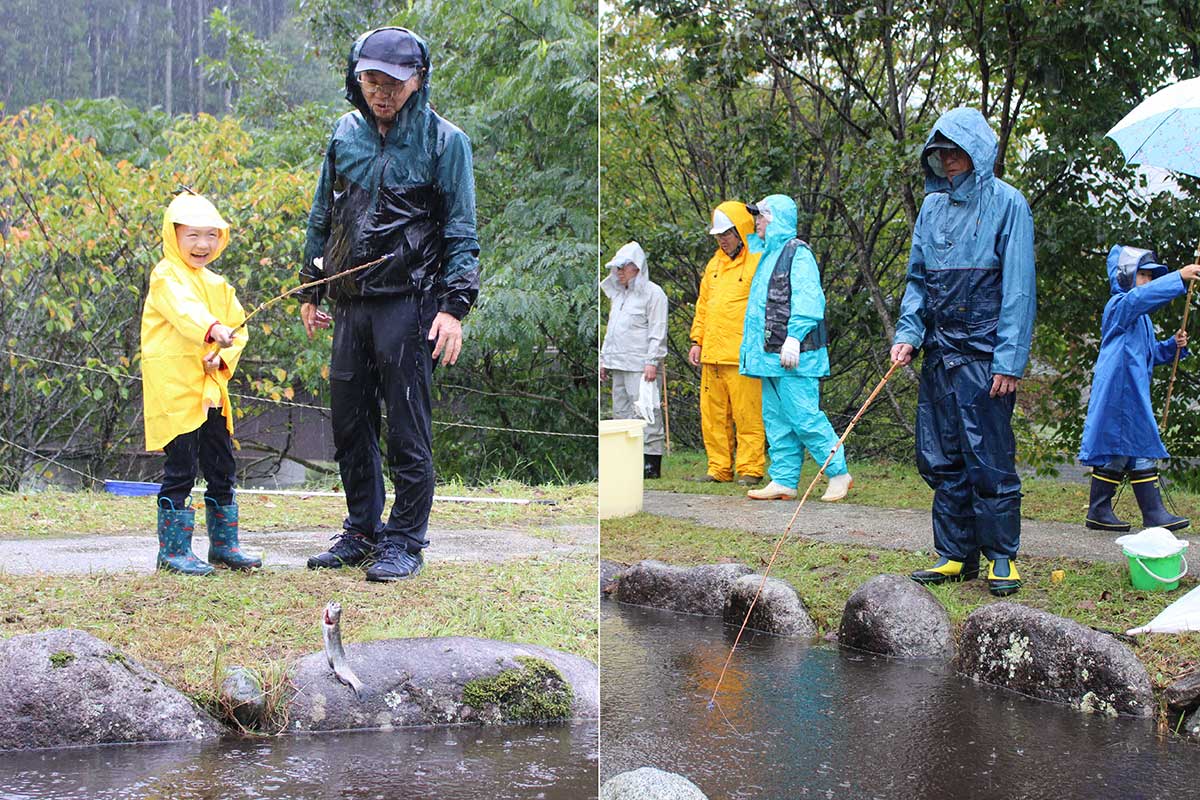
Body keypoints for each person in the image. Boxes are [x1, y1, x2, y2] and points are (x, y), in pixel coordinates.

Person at [298, 27, 480, 582]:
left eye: (394, 84)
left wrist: (455, 306)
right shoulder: (344, 134)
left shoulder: (444, 142)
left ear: (417, 80)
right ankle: (361, 530)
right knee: (350, 422)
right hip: (351, 303)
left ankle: (404, 539)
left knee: (406, 424)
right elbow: (321, 214)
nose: (382, 92)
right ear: (357, 78)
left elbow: (462, 230)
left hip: (413, 302)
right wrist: (311, 285)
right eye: (371, 80)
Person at [893, 107, 1036, 597]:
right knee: (940, 454)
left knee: (989, 456)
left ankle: (1001, 557)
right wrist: (908, 332)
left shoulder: (1008, 204)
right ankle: (955, 554)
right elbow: (918, 278)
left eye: (955, 151)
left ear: (976, 153)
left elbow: (1019, 288)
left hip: (985, 352)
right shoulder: (931, 209)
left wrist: (1009, 360)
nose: (948, 160)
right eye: (940, 152)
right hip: (940, 351)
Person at [141, 192, 260, 575]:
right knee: (181, 467)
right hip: (176, 390)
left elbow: (238, 330)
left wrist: (221, 355)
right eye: (192, 235)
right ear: (173, 235)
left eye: (211, 235)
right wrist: (212, 329)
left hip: (211, 390)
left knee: (221, 464)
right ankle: (173, 551)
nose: (203, 245)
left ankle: (225, 546)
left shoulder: (218, 284)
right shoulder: (164, 276)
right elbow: (184, 310)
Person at [739, 195, 853, 502]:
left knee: (804, 417)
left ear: (775, 218)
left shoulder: (797, 253)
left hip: (795, 356)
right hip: (769, 357)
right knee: (776, 420)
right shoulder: (768, 255)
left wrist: (794, 337)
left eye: (761, 216)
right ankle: (784, 479)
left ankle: (838, 473)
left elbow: (808, 299)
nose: (756, 222)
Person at [1078, 245, 1200, 532]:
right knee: (1139, 442)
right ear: (1125, 276)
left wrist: (1172, 346)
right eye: (1142, 275)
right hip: (1120, 391)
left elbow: (1151, 355)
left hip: (1131, 389)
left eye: (1149, 276)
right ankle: (1153, 513)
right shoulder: (1120, 306)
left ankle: (1099, 510)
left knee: (1121, 450)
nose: (1146, 281)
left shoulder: (1141, 318)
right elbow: (1139, 298)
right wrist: (1178, 278)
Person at [688, 202, 765, 486]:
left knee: (748, 416)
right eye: (718, 234)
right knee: (713, 417)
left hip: (743, 355)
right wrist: (697, 340)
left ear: (740, 230)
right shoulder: (714, 265)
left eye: (727, 233)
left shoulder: (758, 260)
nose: (722, 239)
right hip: (712, 354)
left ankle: (750, 469)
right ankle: (718, 468)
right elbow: (703, 306)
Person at [600, 241, 669, 478]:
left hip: (641, 366)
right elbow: (612, 330)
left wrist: (652, 361)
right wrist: (603, 360)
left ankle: (651, 464)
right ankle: (626, 462)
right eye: (616, 268)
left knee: (646, 413)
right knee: (621, 414)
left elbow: (657, 330)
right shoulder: (619, 296)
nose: (618, 272)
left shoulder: (653, 294)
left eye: (623, 267)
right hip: (618, 363)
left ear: (636, 268)